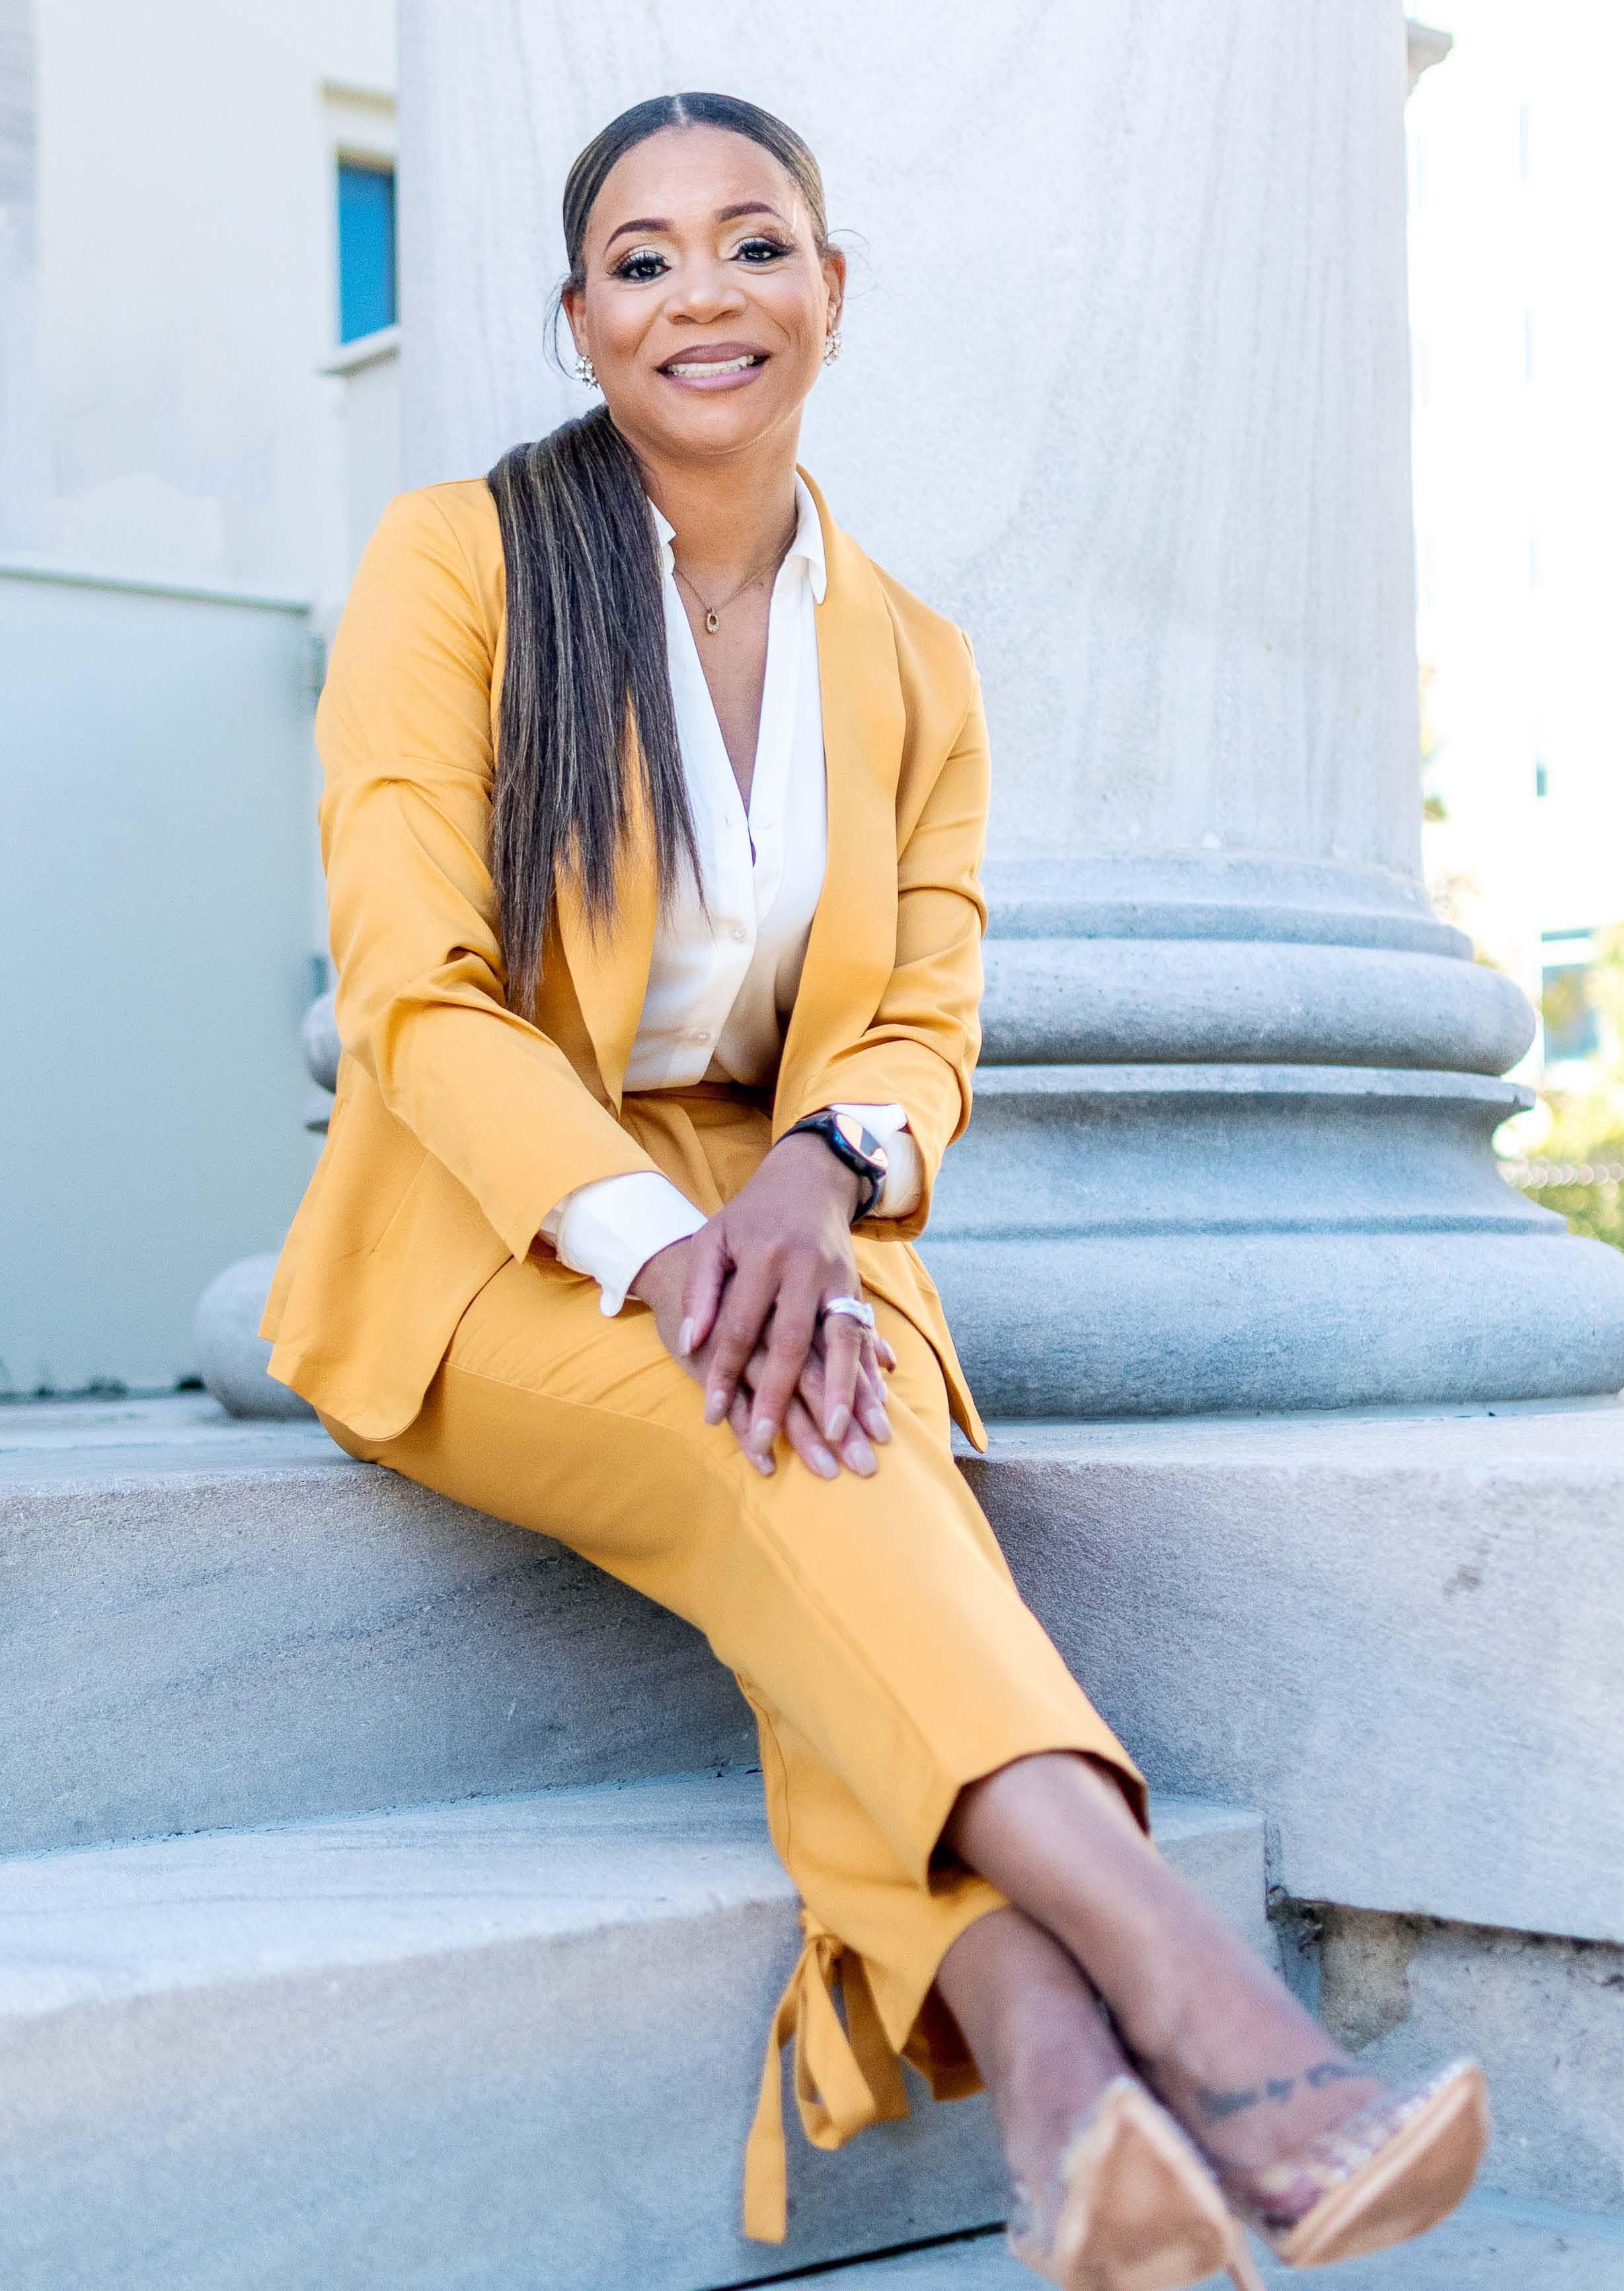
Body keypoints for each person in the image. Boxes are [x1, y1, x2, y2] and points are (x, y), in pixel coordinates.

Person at [262, 90, 1487, 2291]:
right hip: (492, 1235)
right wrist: (663, 1251)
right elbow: (413, 994)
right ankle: (1202, 2000)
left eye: (755, 243)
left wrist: (823, 1179)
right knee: (800, 1447)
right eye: (642, 260)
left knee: (831, 1460)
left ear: (834, 290)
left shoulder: (911, 652)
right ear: (579, 319)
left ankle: (1058, 2092)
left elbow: (927, 1004)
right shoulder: (455, 561)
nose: (702, 294)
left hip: (798, 1223)